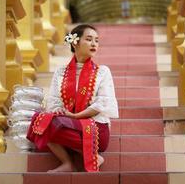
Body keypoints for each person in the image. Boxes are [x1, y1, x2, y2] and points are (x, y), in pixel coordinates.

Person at [27, 24, 119, 172]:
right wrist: (65, 115)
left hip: (95, 129)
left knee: (49, 124)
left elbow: (102, 103)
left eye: (96, 40)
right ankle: (67, 163)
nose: (94, 44)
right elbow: (54, 102)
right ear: (75, 42)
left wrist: (76, 116)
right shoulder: (60, 72)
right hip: (67, 125)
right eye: (89, 39)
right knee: (40, 119)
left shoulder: (102, 72)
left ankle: (92, 156)